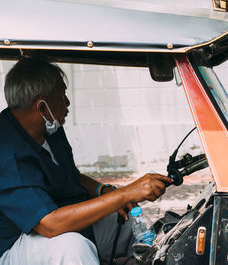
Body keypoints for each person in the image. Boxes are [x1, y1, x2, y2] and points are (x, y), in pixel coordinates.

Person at [0, 57, 173, 264]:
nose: (67, 103)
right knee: (72, 248)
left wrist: (108, 192)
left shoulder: (49, 129)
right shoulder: (8, 153)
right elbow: (49, 224)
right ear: (42, 107)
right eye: (62, 96)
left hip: (59, 219)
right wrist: (124, 193)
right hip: (17, 243)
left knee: (124, 218)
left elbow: (70, 176)